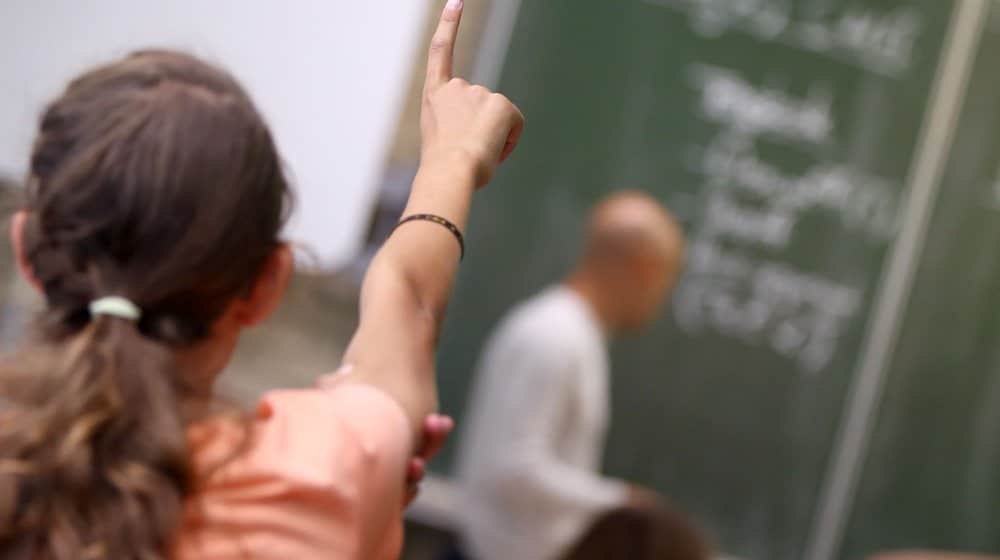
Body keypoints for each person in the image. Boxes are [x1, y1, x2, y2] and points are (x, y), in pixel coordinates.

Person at [0, 0, 523, 558]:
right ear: (268, 283)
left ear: (27, 251)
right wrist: (452, 159)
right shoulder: (320, 473)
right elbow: (410, 301)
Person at [456, 191, 687, 560]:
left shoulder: (573, 334)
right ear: (644, 269)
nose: (660, 300)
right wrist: (622, 502)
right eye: (666, 280)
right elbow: (514, 468)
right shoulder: (556, 337)